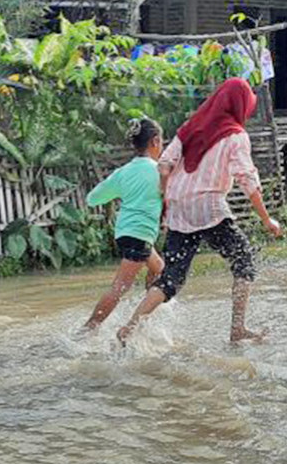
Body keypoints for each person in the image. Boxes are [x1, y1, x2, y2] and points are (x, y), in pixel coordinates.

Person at [117, 78, 282, 345]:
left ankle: (130, 326)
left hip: (180, 210)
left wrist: (167, 199)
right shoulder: (236, 136)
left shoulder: (189, 128)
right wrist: (267, 219)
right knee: (245, 263)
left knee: (171, 277)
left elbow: (164, 166)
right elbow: (247, 179)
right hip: (209, 208)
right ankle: (237, 329)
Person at [80, 118, 164, 332]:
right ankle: (90, 328)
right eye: (162, 142)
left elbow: (92, 198)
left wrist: (124, 192)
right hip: (140, 233)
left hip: (126, 232)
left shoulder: (124, 172)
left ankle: (145, 318)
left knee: (160, 270)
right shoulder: (160, 171)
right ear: (155, 141)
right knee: (120, 287)